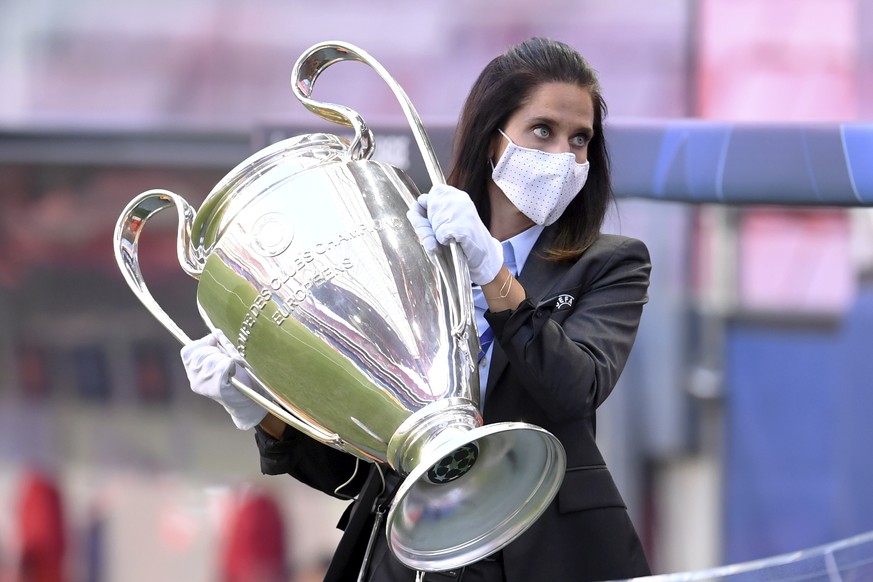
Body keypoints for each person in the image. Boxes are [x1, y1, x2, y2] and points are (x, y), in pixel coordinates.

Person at [181, 37, 652, 582]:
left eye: (580, 139)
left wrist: (493, 273)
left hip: (541, 551)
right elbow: (360, 472)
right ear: (494, 138)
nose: (563, 157)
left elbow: (575, 388)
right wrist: (261, 411)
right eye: (542, 130)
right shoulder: (404, 250)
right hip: (411, 557)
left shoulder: (611, 263)